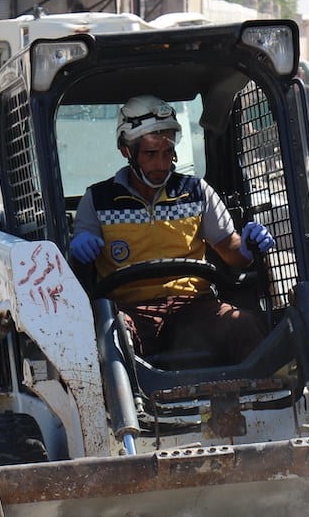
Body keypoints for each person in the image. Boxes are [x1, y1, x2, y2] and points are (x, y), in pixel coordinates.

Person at [69, 95, 276, 365]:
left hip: (193, 307)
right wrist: (80, 248)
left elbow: (232, 252)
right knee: (111, 336)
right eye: (151, 154)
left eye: (167, 153)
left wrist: (248, 246)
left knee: (242, 325)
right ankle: (119, 406)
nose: (161, 164)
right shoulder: (98, 200)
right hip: (130, 310)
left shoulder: (197, 193)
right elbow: (79, 263)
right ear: (126, 151)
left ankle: (264, 401)